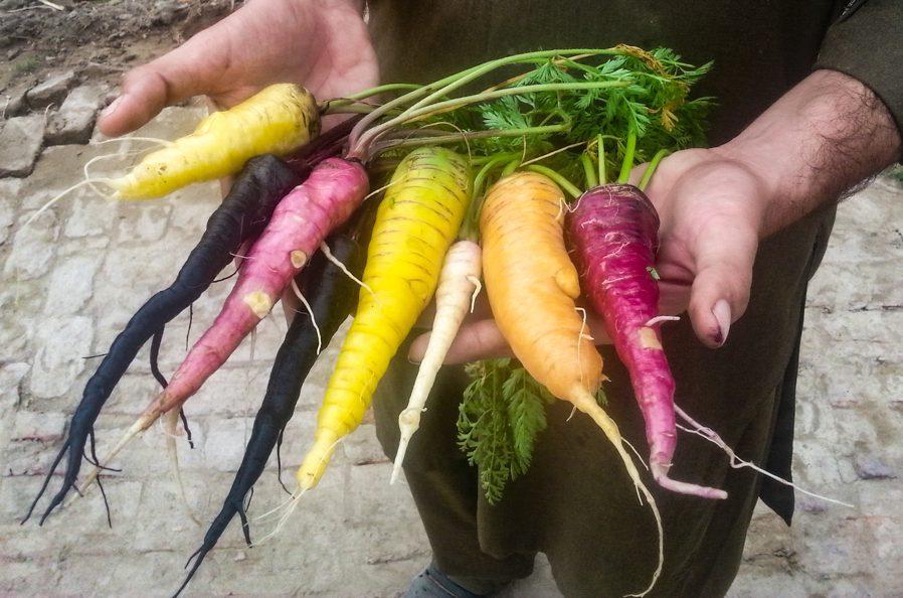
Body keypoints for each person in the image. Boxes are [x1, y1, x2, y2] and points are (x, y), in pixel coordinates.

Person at [97, 1, 901, 596]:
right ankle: (469, 566)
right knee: (417, 377)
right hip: (411, 154)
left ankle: (645, 576)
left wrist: (765, 167)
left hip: (683, 197)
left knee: (637, 466)